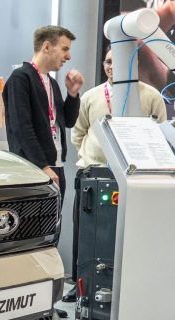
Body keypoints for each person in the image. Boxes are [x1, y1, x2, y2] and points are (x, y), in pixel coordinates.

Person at [61, 45, 166, 301]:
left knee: (130, 231)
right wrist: (94, 157)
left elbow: (161, 134)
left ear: (133, 64)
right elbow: (78, 134)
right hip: (92, 173)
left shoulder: (151, 96)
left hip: (136, 176)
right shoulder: (91, 96)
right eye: (108, 62)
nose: (111, 66)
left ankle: (131, 284)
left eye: (117, 61)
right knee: (84, 232)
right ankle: (80, 283)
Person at [3, 25, 84, 318]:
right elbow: (22, 128)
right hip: (35, 170)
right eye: (64, 48)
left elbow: (67, 122)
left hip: (54, 169)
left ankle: (43, 304)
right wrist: (42, 166)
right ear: (47, 46)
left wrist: (73, 94)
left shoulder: (51, 83)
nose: (68, 56)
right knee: (30, 240)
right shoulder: (20, 78)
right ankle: (22, 303)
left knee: (49, 238)